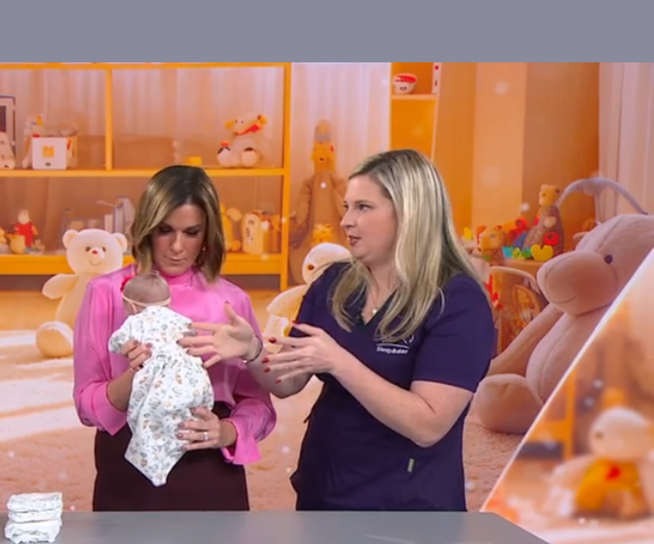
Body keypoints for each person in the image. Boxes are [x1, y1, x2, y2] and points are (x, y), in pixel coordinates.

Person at [180, 149, 496, 511]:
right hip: (324, 490)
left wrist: (338, 362)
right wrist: (252, 350)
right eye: (347, 207)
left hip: (407, 508)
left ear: (409, 213)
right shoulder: (335, 282)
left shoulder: (458, 302)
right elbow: (287, 383)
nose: (346, 221)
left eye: (363, 208)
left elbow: (428, 425)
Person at [73, 165, 277, 512]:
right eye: (165, 230)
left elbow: (259, 405)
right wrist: (135, 378)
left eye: (191, 232)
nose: (177, 247)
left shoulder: (231, 301)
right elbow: (86, 403)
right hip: (129, 460)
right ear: (146, 228)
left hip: (207, 461)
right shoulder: (105, 292)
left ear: (208, 234)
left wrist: (227, 432)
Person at [107, 272, 216, 487]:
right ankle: (180, 444)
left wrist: (123, 346)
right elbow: (191, 337)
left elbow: (116, 342)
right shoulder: (179, 319)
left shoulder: (134, 321)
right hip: (191, 377)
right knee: (186, 415)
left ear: (132, 307)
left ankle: (154, 464)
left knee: (146, 416)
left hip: (160, 380)